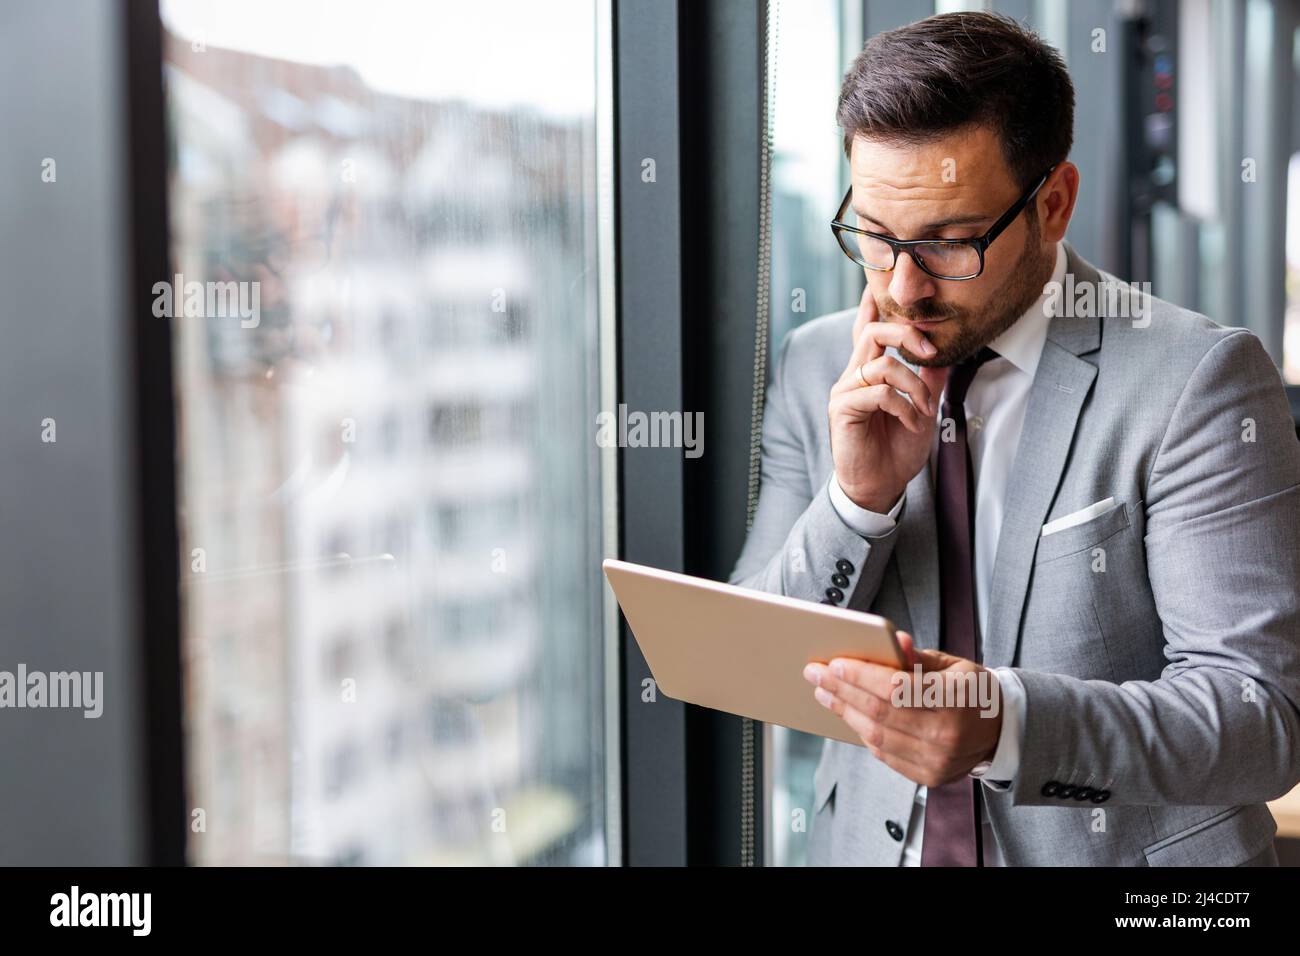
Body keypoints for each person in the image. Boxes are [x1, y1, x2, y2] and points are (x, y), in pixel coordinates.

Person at [729, 10, 1300, 866]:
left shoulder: (1198, 380)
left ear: (1054, 204)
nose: (901, 286)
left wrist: (1007, 725)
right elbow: (754, 667)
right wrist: (857, 503)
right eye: (874, 239)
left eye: (949, 245)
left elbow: (1260, 719)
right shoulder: (819, 366)